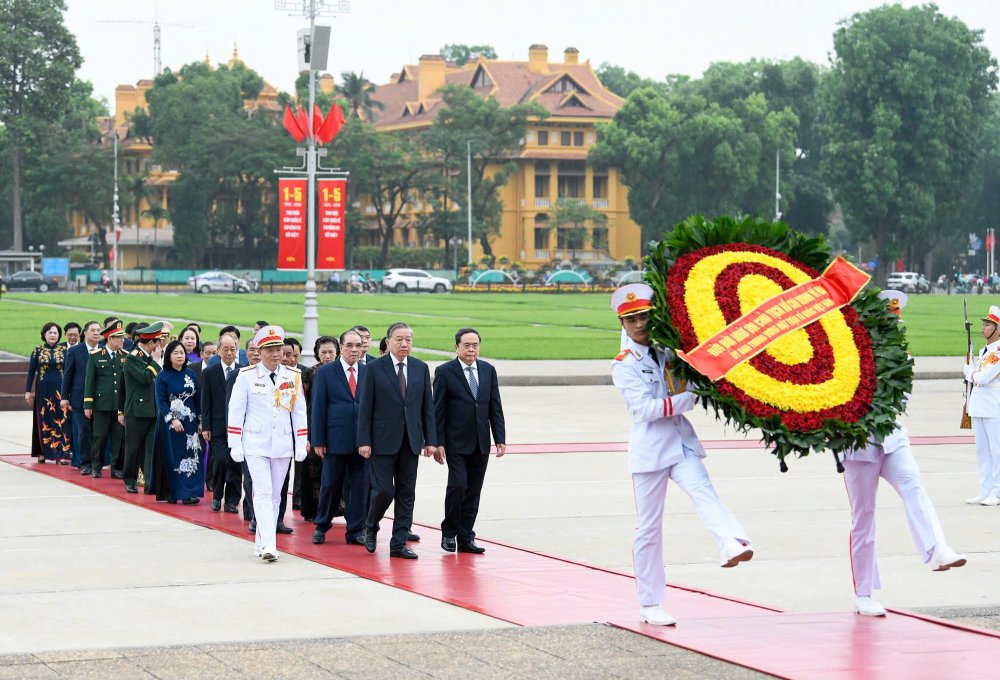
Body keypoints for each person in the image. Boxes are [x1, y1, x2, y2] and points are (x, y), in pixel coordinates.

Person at [610, 284, 752, 627]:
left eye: (644, 316)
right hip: (650, 450)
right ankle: (650, 603)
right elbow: (644, 409)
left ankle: (731, 542)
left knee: (705, 492)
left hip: (680, 442)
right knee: (649, 529)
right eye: (631, 320)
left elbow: (693, 379)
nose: (640, 324)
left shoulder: (668, 351)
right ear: (623, 325)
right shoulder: (624, 364)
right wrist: (690, 398)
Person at [357, 322, 441, 559]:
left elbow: (427, 407)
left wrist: (430, 440)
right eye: (399, 339)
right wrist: (364, 440)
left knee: (407, 492)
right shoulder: (375, 368)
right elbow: (366, 407)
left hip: (411, 441)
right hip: (381, 441)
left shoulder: (420, 368)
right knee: (383, 490)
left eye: (408, 340)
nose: (404, 344)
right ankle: (371, 525)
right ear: (388, 342)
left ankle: (399, 543)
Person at [227, 326, 307, 562]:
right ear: (259, 351)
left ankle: (262, 543)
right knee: (261, 492)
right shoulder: (247, 375)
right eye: (270, 349)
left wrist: (301, 441)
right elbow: (236, 411)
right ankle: (270, 544)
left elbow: (299, 412)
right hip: (255, 443)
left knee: (275, 496)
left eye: (278, 349)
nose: (276, 354)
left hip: (282, 444)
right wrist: (235, 443)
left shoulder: (293, 376)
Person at [434, 327, 506, 554]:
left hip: (480, 442)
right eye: (467, 345)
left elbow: (495, 405)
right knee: (458, 485)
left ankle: (466, 536)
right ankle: (449, 533)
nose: (471, 349)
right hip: (455, 442)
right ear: (456, 347)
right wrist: (438, 442)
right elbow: (439, 410)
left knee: (474, 490)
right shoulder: (445, 372)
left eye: (475, 345)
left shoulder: (488, 370)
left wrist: (500, 437)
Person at [311, 330, 368, 546]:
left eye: (358, 345)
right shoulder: (326, 372)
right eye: (350, 345)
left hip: (362, 441)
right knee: (330, 484)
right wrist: (318, 440)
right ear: (341, 347)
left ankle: (356, 530)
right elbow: (318, 407)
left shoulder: (368, 371)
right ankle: (322, 525)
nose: (354, 350)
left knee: (359, 487)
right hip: (335, 439)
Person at [153, 340, 204, 504]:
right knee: (174, 456)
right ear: (169, 356)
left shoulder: (190, 373)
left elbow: (197, 399)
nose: (180, 355)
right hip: (171, 424)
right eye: (176, 353)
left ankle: (189, 492)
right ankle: (174, 492)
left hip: (190, 423)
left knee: (192, 455)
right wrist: (172, 419)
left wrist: (200, 420)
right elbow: (161, 401)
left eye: (182, 352)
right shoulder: (163, 375)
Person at [299, 335, 340, 522]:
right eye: (323, 352)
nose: (328, 356)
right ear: (317, 354)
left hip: (336, 427)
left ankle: (336, 508)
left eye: (331, 352)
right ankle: (314, 510)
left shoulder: (342, 372)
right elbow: (301, 402)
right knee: (313, 470)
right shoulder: (309, 373)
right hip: (313, 426)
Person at [120, 322, 164, 493]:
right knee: (133, 448)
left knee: (150, 449)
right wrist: (156, 362)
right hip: (136, 411)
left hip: (152, 410)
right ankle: (129, 479)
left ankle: (149, 481)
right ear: (151, 343)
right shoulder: (133, 358)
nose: (159, 346)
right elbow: (145, 378)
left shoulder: (148, 358)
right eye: (157, 342)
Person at [201, 335, 242, 513]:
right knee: (221, 461)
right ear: (218, 351)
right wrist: (206, 426)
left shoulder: (243, 371)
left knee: (236, 463)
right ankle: (217, 495)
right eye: (225, 349)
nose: (229, 353)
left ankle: (232, 501)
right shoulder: (210, 372)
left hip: (238, 427)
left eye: (232, 349)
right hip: (217, 427)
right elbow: (206, 401)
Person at [963, 304, 1000, 506]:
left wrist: (968, 372)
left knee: (997, 450)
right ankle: (985, 489)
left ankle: (997, 491)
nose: (983, 327)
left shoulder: (998, 351)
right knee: (982, 451)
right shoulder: (984, 350)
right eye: (984, 324)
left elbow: (984, 377)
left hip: (994, 405)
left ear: (998, 329)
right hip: (980, 404)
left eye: (988, 324)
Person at [227, 338, 263, 531]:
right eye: (252, 350)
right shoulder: (238, 374)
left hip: (268, 437)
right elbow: (232, 408)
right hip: (247, 435)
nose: (256, 353)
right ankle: (254, 514)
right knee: (249, 478)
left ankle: (269, 516)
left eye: (260, 350)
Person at [84, 320, 126, 478]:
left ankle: (116, 468)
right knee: (99, 437)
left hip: (119, 405)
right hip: (101, 404)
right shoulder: (95, 356)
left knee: (118, 438)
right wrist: (88, 404)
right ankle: (96, 466)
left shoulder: (125, 356)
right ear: (109, 339)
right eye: (119, 337)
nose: (122, 340)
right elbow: (90, 381)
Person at [25, 322, 72, 463]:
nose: (52, 335)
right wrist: (28, 391)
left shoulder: (64, 350)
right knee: (43, 418)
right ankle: (42, 452)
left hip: (60, 391)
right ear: (44, 334)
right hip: (43, 391)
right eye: (50, 332)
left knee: (61, 420)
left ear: (59, 335)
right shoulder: (37, 350)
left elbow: (69, 372)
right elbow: (31, 372)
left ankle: (61, 453)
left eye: (55, 333)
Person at [61, 321, 101, 474]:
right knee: (84, 431)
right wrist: (65, 397)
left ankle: (98, 462)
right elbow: (68, 375)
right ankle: (85, 463)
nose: (96, 333)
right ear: (85, 333)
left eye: (98, 330)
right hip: (79, 398)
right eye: (93, 330)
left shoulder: (104, 350)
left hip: (101, 399)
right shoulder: (75, 351)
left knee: (99, 432)